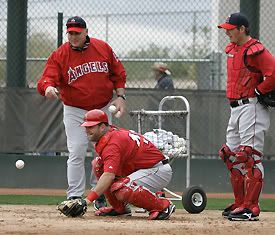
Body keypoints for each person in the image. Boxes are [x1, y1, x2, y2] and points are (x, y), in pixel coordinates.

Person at [37, 16, 127, 209]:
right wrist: (48, 88)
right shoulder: (61, 54)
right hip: (75, 110)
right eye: (70, 33)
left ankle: (101, 194)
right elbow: (46, 79)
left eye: (77, 33)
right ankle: (75, 195)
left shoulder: (102, 48)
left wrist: (120, 96)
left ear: (86, 32)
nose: (73, 36)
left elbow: (118, 73)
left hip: (101, 109)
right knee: (76, 150)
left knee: (105, 152)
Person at [217, 13, 275, 221]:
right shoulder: (233, 49)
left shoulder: (255, 49)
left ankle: (252, 207)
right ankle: (241, 202)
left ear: (242, 29)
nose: (227, 32)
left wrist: (261, 90)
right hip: (236, 108)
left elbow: (274, 72)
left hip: (252, 107)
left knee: (250, 156)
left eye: (231, 28)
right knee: (231, 155)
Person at [77, 109, 175, 220]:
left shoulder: (113, 143)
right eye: (86, 127)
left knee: (122, 188)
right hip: (142, 169)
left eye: (91, 127)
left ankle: (163, 206)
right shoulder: (110, 132)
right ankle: (120, 209)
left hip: (157, 170)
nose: (87, 130)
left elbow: (109, 175)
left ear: (103, 127)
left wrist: (87, 201)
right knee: (98, 164)